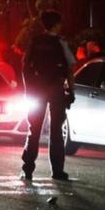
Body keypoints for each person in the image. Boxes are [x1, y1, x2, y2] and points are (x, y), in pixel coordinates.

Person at [20, 10, 76, 181]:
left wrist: (27, 88)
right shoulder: (61, 43)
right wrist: (71, 90)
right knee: (56, 130)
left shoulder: (34, 42)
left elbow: (25, 65)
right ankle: (57, 171)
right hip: (55, 89)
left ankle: (28, 168)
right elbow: (70, 68)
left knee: (34, 129)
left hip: (36, 90)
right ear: (57, 25)